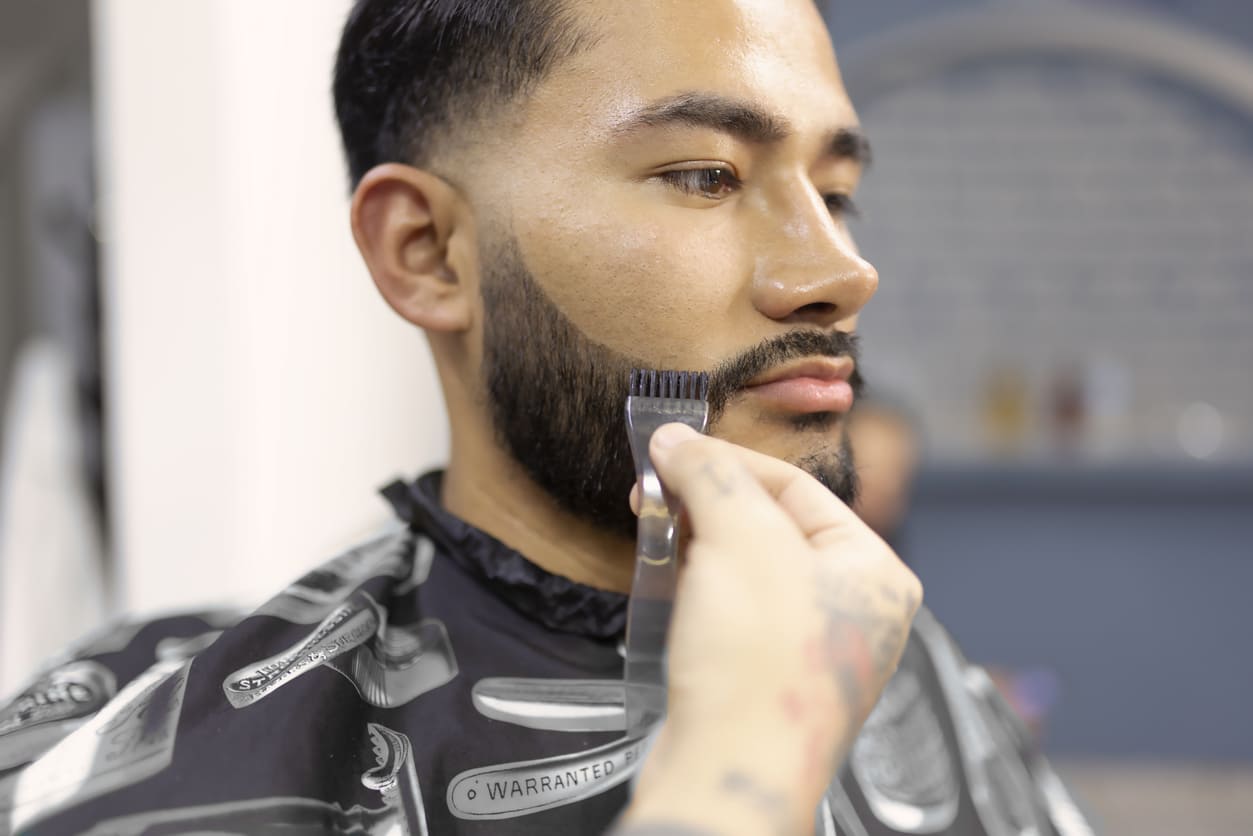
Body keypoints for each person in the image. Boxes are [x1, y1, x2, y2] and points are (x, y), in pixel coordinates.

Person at [0, 1, 1092, 834]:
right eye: (707, 174)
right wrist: (743, 766)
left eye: (834, 189)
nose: (840, 270)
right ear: (425, 252)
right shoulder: (151, 755)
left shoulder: (904, 667)